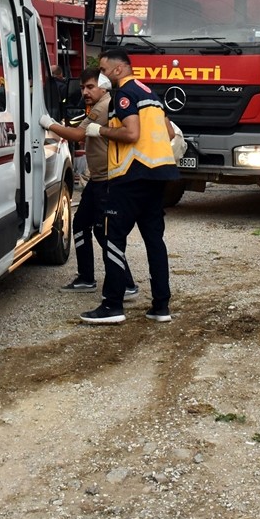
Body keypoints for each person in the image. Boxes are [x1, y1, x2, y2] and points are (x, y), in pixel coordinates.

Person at [77, 47, 176, 324]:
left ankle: (112, 305)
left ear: (118, 69)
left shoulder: (124, 95)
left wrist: (101, 130)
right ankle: (161, 307)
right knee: (154, 241)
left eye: (104, 70)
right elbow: (169, 132)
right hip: (158, 175)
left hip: (130, 177)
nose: (102, 76)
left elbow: (131, 133)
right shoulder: (150, 93)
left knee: (113, 239)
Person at [40, 68, 138, 300]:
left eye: (90, 87)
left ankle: (126, 283)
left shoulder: (103, 106)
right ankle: (86, 277)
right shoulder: (98, 105)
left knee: (104, 232)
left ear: (103, 86)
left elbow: (77, 135)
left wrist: (49, 124)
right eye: (83, 87)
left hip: (107, 180)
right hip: (97, 179)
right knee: (81, 224)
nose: (85, 92)